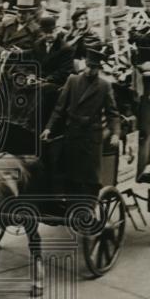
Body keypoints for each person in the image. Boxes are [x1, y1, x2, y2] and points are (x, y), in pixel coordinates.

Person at [41, 45, 120, 200]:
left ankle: (89, 208)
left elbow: (113, 114)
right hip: (73, 134)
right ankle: (72, 207)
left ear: (98, 68)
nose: (90, 70)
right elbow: (59, 108)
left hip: (92, 137)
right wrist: (48, 128)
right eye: (89, 66)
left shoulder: (104, 86)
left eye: (94, 68)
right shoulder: (73, 80)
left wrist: (116, 133)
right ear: (85, 63)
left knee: (91, 178)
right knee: (71, 175)